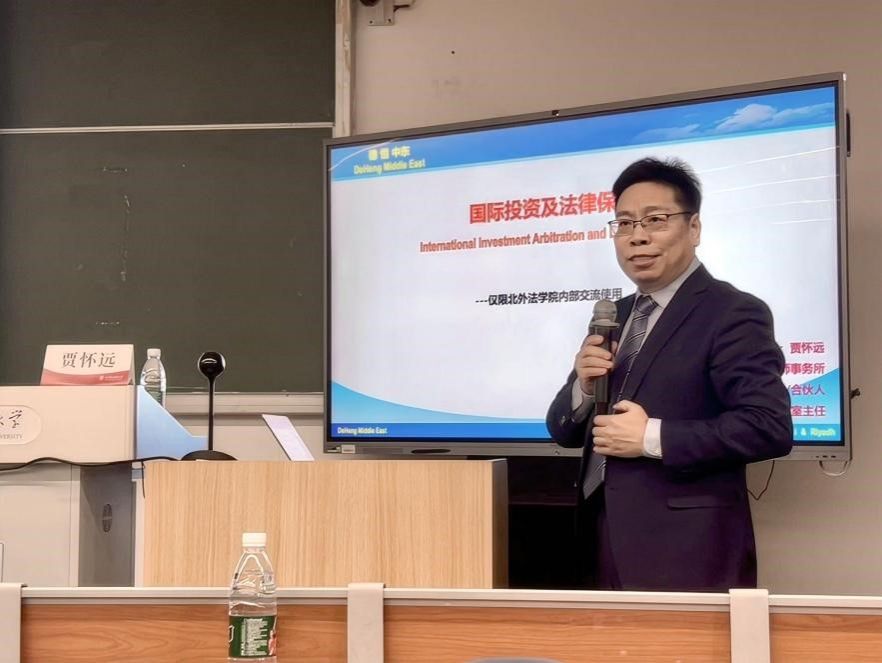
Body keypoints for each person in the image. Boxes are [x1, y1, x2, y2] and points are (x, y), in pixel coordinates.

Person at [546, 157, 792, 592]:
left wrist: (650, 437)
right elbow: (563, 431)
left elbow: (768, 427)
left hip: (686, 551)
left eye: (655, 220)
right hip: (599, 537)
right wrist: (583, 388)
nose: (637, 236)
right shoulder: (614, 315)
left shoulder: (733, 312)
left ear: (694, 228)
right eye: (624, 223)